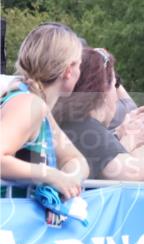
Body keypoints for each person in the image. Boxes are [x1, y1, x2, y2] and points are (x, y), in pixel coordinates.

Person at [54, 48, 144, 186]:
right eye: (115, 83)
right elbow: (129, 170)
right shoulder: (84, 127)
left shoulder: (70, 122)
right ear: (103, 88)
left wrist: (122, 139)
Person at [0, 23, 89, 223]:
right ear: (68, 70)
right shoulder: (28, 103)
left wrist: (66, 181)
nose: (79, 72)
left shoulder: (37, 106)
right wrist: (52, 176)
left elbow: (76, 159)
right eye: (79, 64)